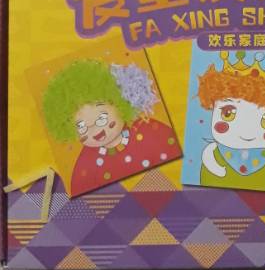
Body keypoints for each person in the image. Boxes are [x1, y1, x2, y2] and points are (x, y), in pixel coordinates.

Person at [41, 60, 180, 196]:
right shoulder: (84, 168)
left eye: (102, 118)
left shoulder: (152, 131)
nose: (95, 130)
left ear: (119, 103)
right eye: (82, 127)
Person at [197, 51, 265, 192]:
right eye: (228, 113)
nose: (247, 133)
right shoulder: (214, 151)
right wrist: (212, 164)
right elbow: (208, 159)